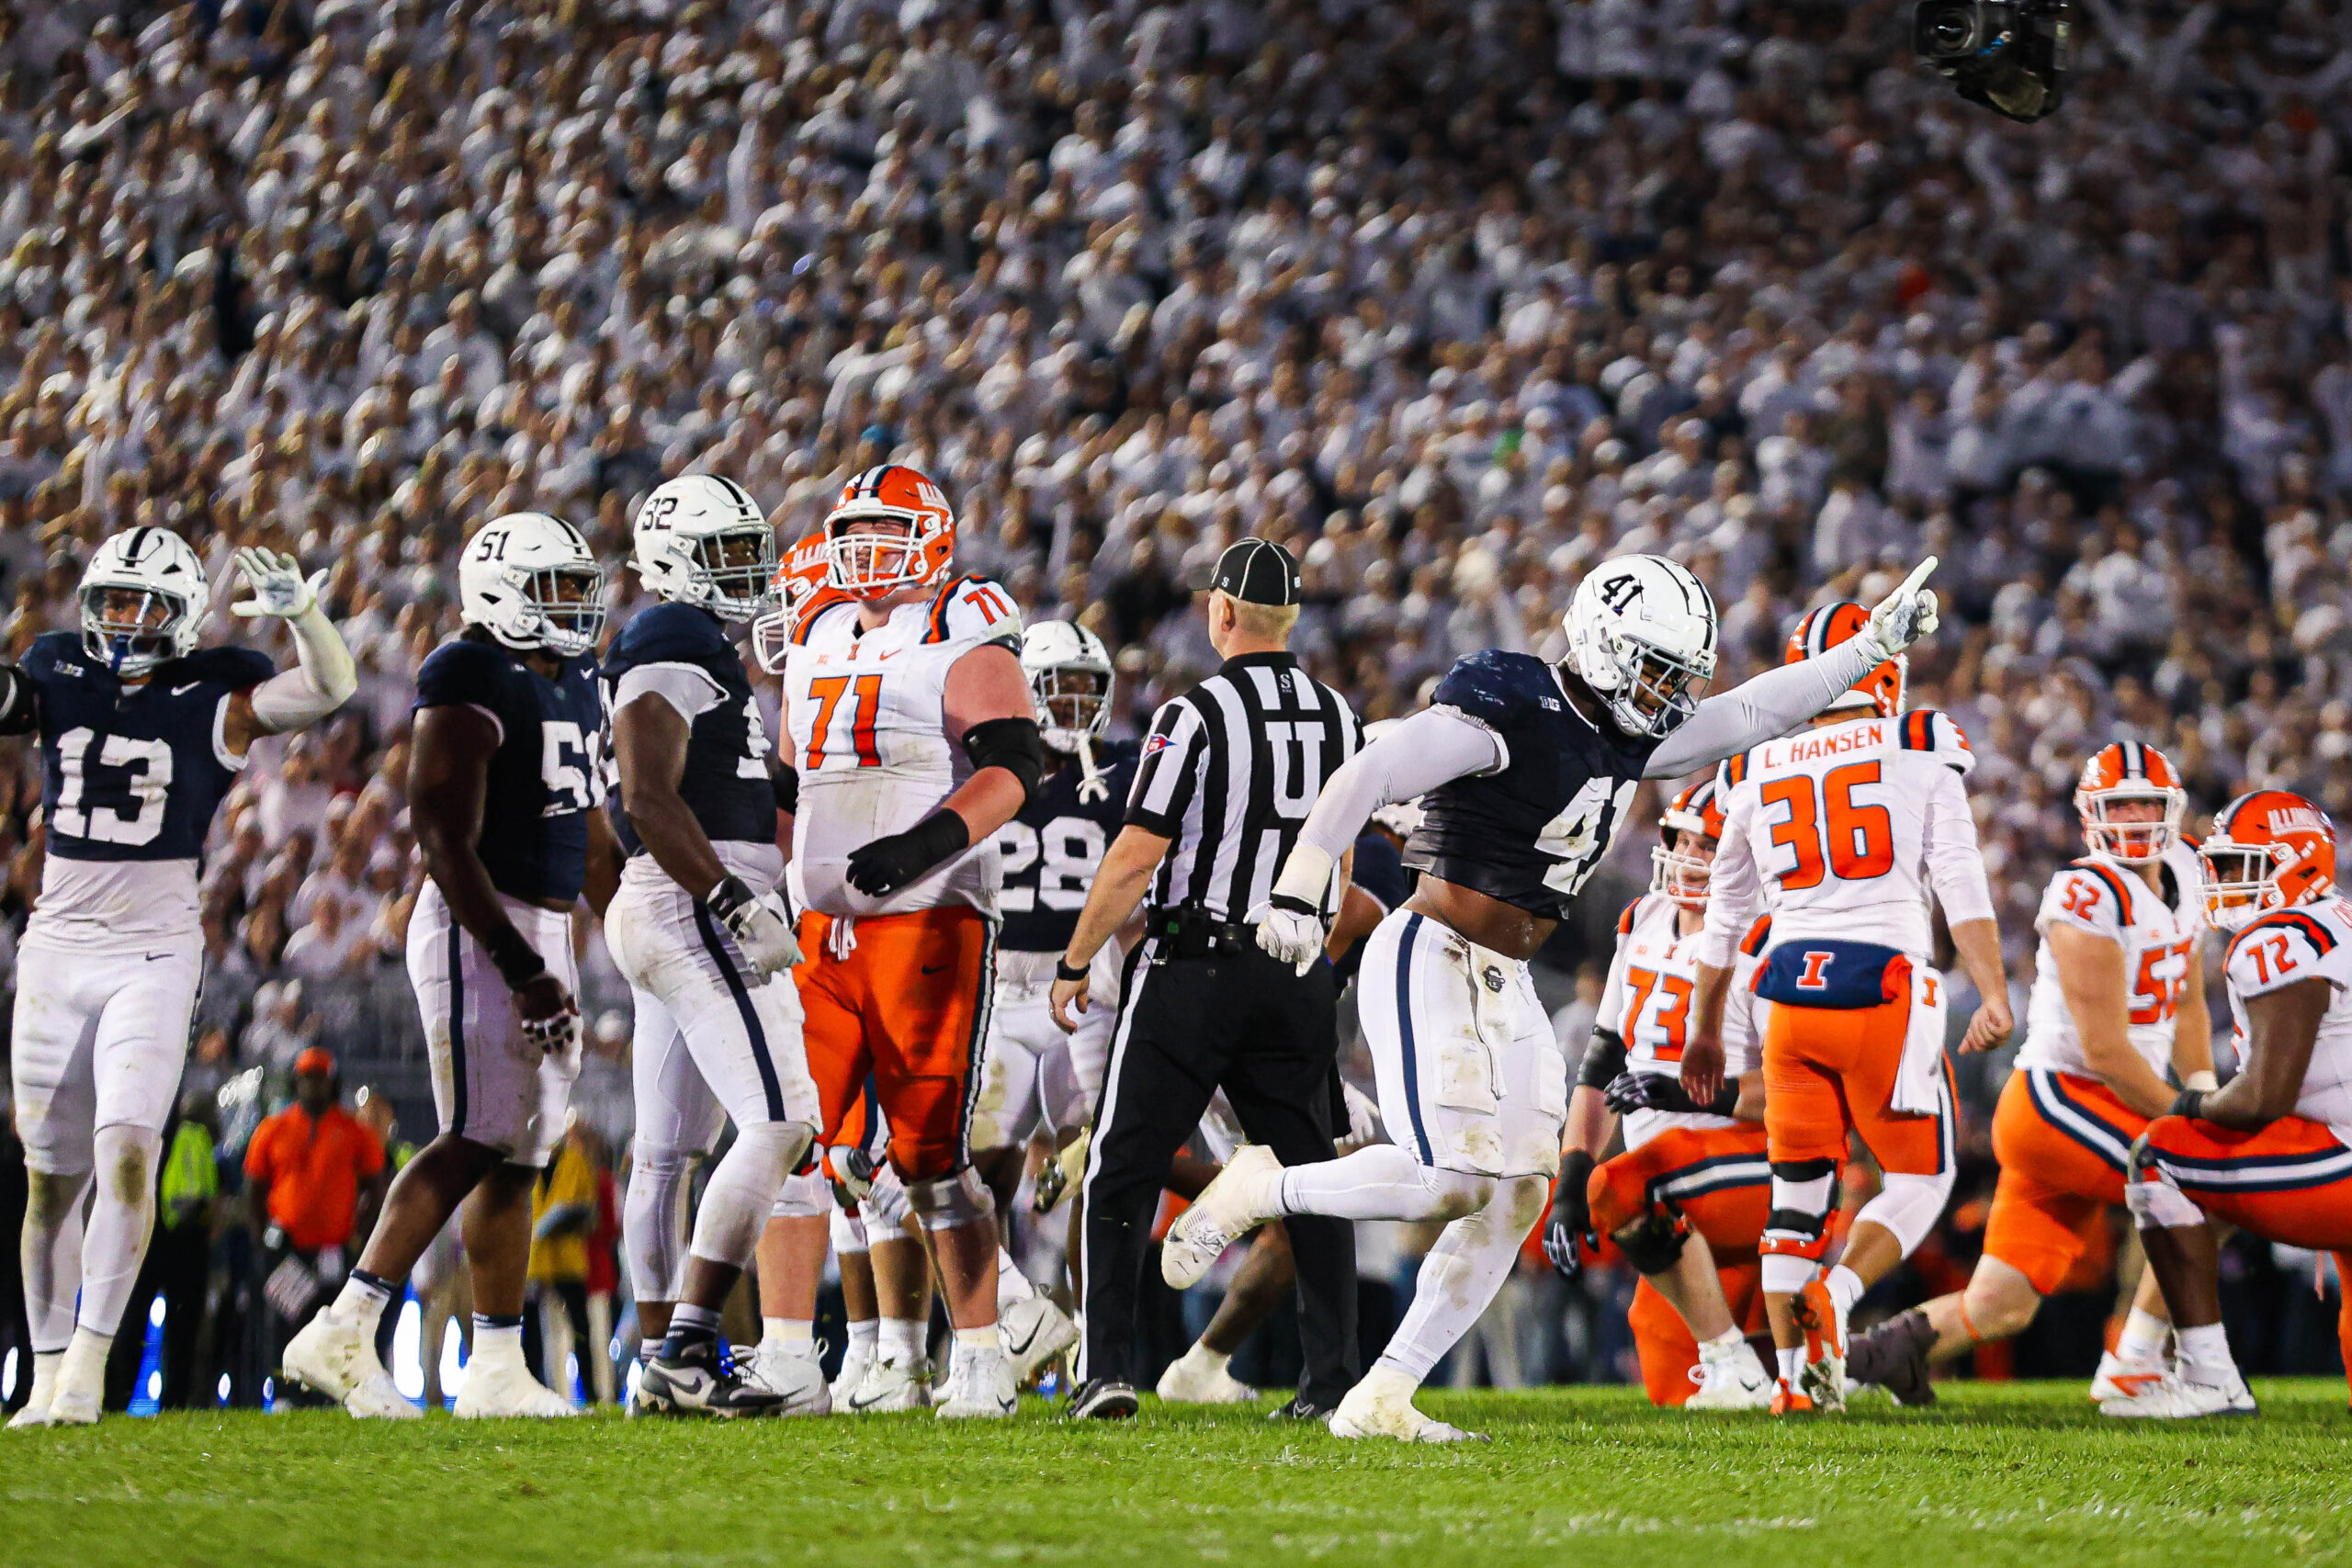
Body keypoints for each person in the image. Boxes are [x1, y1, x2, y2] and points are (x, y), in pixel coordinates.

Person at [1168, 556, 1942, 1441]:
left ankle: (1383, 1394)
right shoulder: (1514, 706)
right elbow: (1372, 770)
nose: (1669, 692)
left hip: (1504, 978)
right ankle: (1266, 1184)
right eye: (1656, 669)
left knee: (1522, 1192)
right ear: (1607, 649)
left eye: (1677, 674)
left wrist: (1870, 645)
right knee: (1453, 1182)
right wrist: (1304, 881)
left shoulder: (1625, 734)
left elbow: (1755, 709)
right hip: (1432, 952)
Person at [6, 528, 355, 1428]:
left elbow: (330, 686)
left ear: (184, 613)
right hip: (55, 943)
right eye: (112, 600)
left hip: (155, 949)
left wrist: (305, 617)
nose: (123, 619)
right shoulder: (55, 668)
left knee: (127, 1151)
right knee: (49, 1180)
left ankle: (85, 1368)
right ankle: (46, 1372)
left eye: (142, 603)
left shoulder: (211, 693)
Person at [279, 512, 618, 1420]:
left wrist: (622, 931)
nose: (572, 609)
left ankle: (498, 1367)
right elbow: (439, 833)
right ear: (499, 592)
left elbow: (588, 829)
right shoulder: (466, 670)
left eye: (576, 589)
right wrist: (520, 965)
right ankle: (343, 1326)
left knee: (523, 1151)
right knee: (475, 1130)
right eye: (551, 588)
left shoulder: (577, 676)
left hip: (545, 927)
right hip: (481, 922)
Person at [1052, 537, 1365, 1423]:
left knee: (1122, 1166)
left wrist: (1078, 959)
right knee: (1312, 1180)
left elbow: (1137, 852)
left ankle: (1108, 1368)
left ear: (1223, 613)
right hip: (1296, 965)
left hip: (1194, 963)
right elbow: (1338, 868)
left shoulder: (1195, 714)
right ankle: (1332, 1382)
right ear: (1292, 619)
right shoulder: (1340, 716)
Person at [756, 463, 1045, 1419]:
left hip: (929, 916)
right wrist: (774, 878)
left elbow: (1012, 767)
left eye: (888, 529)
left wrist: (925, 845)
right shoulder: (815, 632)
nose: (865, 550)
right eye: (854, 530)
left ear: (933, 537)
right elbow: (793, 780)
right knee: (815, 1146)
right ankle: (824, 1356)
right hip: (821, 925)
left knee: (927, 1154)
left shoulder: (962, 627)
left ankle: (982, 1355)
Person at [1685, 600, 2010, 1416]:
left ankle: (1795, 1385)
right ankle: (1836, 1292)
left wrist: (1701, 1030)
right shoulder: (1917, 743)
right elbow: (1959, 875)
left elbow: (1725, 917)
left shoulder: (1753, 770)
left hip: (1786, 997)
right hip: (1882, 986)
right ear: (1886, 671)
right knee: (1924, 1172)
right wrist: (1995, 988)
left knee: (1797, 1191)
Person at [1845, 743, 2211, 1404]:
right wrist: (2187, 1113)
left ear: (2172, 810)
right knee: (2199, 1179)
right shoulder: (2084, 891)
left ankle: (1867, 1359)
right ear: (2089, 815)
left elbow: (2185, 998)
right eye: (2117, 804)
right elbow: (2105, 1050)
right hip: (2061, 1098)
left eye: (2145, 804)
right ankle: (2136, 1361)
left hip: (2096, 1108)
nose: (2132, 817)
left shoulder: (2187, 871)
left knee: (2002, 1304)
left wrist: (2205, 1081)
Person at [603, 474, 820, 1417]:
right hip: (692, 899)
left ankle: (661, 1356)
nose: (751, 571)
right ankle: (689, 1344)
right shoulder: (672, 634)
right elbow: (646, 798)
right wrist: (730, 897)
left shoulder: (696, 644)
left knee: (664, 1156)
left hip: (667, 898)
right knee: (780, 1120)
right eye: (730, 553)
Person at [2100, 791, 2352, 1419]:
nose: (2225, 881)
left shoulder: (2283, 936)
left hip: (2342, 1160)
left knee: (2161, 1151)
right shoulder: (2337, 920)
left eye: (2243, 865)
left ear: (2294, 863)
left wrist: (2194, 1103)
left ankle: (2209, 1377)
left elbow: (2265, 1097)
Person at [1546, 778, 1777, 1410]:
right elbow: (1599, 1065)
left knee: (1623, 1184)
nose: (1688, 854)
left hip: (1757, 1172)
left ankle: (1752, 1357)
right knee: (1672, 1388)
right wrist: (1570, 1182)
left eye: (1709, 843)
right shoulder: (1643, 917)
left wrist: (1695, 1094)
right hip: (1668, 1187)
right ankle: (1758, 1359)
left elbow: (1796, 1090)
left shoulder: (1768, 938)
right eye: (1681, 838)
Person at [966, 619, 1131, 1384]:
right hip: (999, 986)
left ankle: (1094, 1350)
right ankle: (1001, 1332)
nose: (1072, 701)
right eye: (1057, 685)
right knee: (975, 1172)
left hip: (1087, 984)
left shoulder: (1123, 778)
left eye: (1085, 687)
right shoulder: (988, 770)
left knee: (1096, 1170)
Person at [241, 1049, 388, 1405]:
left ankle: (327, 1396)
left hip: (333, 1250)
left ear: (331, 1082)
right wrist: (261, 1241)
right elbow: (254, 1188)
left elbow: (377, 1186)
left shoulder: (353, 1130)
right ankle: (285, 1395)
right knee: (284, 1324)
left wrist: (361, 1235)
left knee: (331, 1325)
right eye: (307, 1078)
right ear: (296, 1081)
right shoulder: (273, 1128)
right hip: (287, 1248)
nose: (313, 1085)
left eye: (319, 1078)